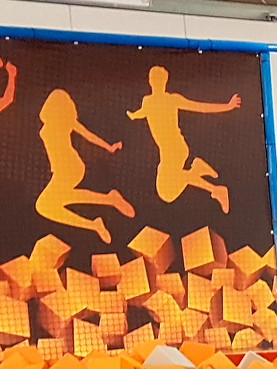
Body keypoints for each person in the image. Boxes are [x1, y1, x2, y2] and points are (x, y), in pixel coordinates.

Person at [127, 65, 240, 213]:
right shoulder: (148, 101)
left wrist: (228, 106)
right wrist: (134, 115)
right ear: (151, 81)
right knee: (170, 187)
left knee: (166, 192)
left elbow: (200, 107)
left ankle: (211, 184)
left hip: (174, 149)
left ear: (162, 82)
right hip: (169, 150)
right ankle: (203, 175)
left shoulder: (170, 100)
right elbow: (144, 112)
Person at [36, 88, 134, 245]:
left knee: (44, 205)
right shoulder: (50, 125)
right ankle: (104, 210)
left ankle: (107, 205)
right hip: (61, 169)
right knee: (52, 203)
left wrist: (109, 147)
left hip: (70, 167)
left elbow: (89, 135)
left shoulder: (66, 122)